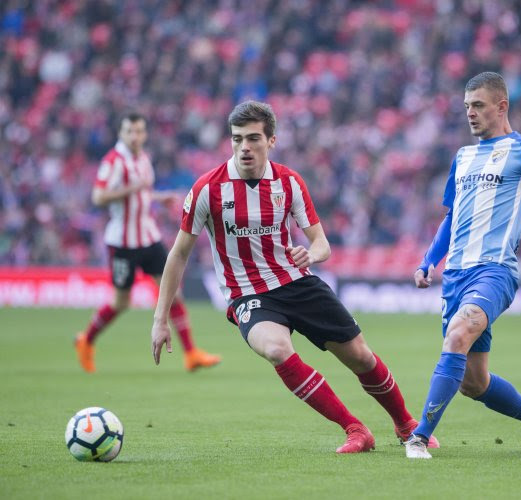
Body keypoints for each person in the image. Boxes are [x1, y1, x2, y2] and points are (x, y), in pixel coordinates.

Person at [150, 100, 439, 453]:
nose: (244, 147)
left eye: (254, 138)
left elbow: (321, 244)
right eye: (237, 139)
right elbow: (178, 253)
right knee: (276, 348)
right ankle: (355, 429)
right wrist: (160, 318)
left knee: (361, 357)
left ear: (271, 140)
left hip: (297, 283)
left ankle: (406, 423)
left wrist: (311, 254)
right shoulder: (207, 189)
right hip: (248, 294)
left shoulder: (288, 182)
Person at [405, 72, 521, 459]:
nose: (470, 113)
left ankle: (419, 437)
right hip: (455, 275)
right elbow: (453, 217)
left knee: (458, 334)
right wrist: (428, 260)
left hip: (495, 270)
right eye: (467, 106)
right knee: (473, 382)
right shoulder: (464, 156)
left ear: (501, 106)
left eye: (478, 105)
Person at [75, 112, 221, 373]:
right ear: (121, 134)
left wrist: (158, 196)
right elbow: (98, 197)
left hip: (149, 237)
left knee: (174, 292)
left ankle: (191, 354)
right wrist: (134, 188)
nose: (135, 136)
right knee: (121, 302)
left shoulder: (142, 158)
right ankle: (86, 340)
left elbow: (140, 192)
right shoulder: (114, 161)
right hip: (122, 243)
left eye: (139, 131)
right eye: (130, 131)